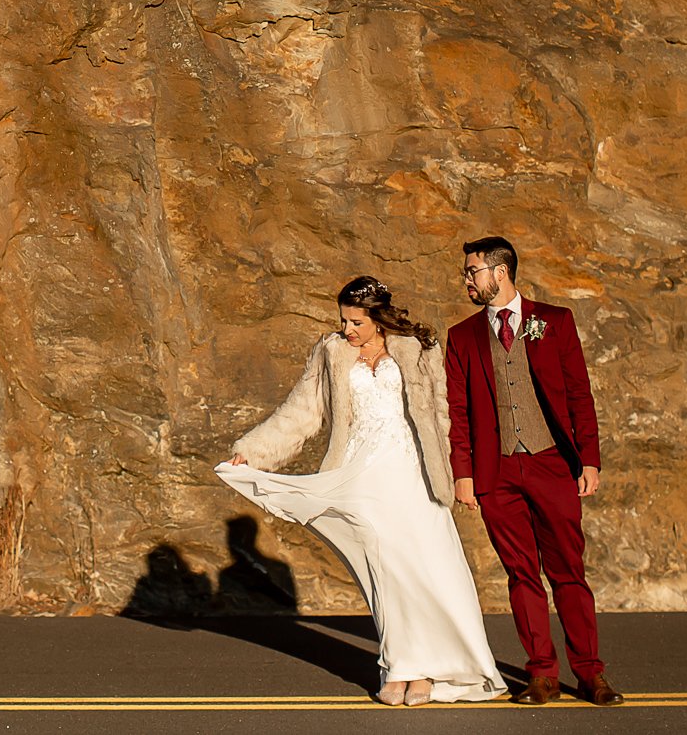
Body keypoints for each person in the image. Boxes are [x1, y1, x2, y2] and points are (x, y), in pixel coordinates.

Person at [217, 276, 506, 706]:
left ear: (377, 316)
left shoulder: (418, 348)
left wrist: (459, 473)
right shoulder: (332, 352)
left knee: (429, 570)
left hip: (415, 476)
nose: (347, 329)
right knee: (385, 573)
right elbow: (301, 412)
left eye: (355, 321)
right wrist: (253, 452)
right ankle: (400, 666)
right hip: (361, 475)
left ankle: (428, 671)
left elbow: (444, 413)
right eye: (343, 320)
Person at [446, 235, 625, 707]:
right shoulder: (462, 336)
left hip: (551, 462)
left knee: (569, 572)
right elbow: (458, 411)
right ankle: (542, 674)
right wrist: (463, 473)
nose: (466, 279)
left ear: (499, 273)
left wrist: (589, 458)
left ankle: (590, 674)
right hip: (496, 470)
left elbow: (579, 393)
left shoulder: (554, 321)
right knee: (521, 575)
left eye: (472, 271)